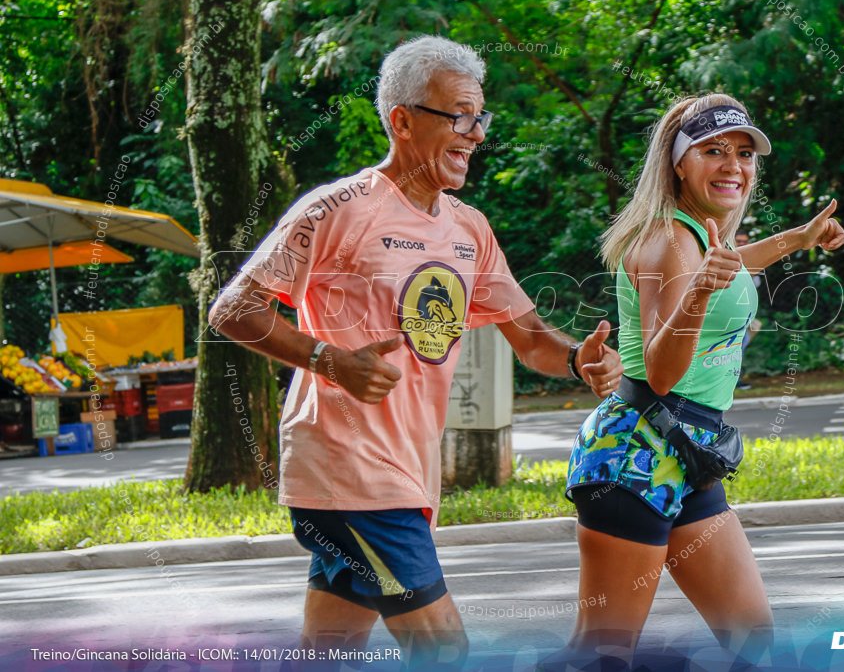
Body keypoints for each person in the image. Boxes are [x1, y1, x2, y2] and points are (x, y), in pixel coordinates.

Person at [207, 35, 623, 668]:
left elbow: (531, 336)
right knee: (442, 645)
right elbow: (233, 309)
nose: (476, 133)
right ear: (402, 120)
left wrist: (577, 359)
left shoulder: (468, 227)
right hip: (348, 471)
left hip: (407, 472)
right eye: (458, 115)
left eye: (479, 117)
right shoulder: (337, 209)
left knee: (329, 651)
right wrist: (330, 361)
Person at [558, 93, 844, 668]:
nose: (733, 165)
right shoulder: (669, 239)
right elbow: (663, 375)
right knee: (603, 654)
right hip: (635, 456)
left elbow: (735, 265)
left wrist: (799, 238)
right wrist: (698, 293)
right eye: (713, 150)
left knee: (751, 637)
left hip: (685, 452)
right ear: (678, 163)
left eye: (743, 152)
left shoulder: (699, 234)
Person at [733, 229, 761, 389]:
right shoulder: (725, 257)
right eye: (739, 241)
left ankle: (734, 379)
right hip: (731, 313)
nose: (742, 244)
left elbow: (755, 284)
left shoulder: (750, 261)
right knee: (736, 344)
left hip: (745, 313)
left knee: (741, 343)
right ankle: (733, 381)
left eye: (745, 242)